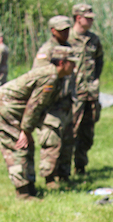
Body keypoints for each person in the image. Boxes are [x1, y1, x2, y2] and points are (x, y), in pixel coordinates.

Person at [0, 46, 77, 200]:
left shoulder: (56, 77)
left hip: (14, 108)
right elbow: (35, 105)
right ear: (61, 62)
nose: (74, 66)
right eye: (71, 62)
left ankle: (30, 188)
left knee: (28, 145)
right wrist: (25, 131)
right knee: (18, 145)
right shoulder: (50, 77)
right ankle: (23, 193)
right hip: (5, 106)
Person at [33, 15, 75, 188]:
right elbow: (40, 77)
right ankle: (49, 178)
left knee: (67, 140)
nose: (66, 32)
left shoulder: (68, 47)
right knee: (51, 140)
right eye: (62, 30)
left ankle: (64, 175)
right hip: (52, 104)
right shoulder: (46, 51)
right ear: (53, 31)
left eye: (67, 29)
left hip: (66, 102)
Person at [69, 3, 103, 175]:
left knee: (87, 132)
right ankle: (63, 169)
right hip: (73, 94)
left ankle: (80, 166)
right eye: (87, 18)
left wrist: (94, 81)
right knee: (70, 131)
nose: (90, 21)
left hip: (90, 93)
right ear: (78, 18)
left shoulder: (93, 39)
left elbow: (99, 61)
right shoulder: (67, 38)